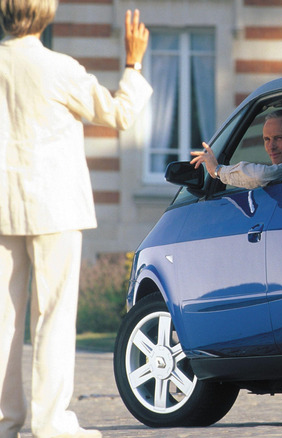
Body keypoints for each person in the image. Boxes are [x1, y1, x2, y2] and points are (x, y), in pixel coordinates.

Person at [0, 1, 153, 436]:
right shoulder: (59, 68)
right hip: (55, 206)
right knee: (54, 316)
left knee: (3, 321)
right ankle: (50, 425)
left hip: (3, 205)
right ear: (45, 14)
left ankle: (5, 421)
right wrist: (133, 62)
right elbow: (120, 114)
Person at [190, 109, 282, 189]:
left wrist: (217, 170)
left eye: (278, 138)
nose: (271, 147)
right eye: (267, 139)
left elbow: (260, 176)